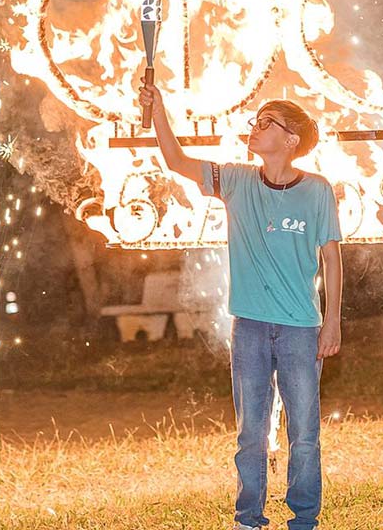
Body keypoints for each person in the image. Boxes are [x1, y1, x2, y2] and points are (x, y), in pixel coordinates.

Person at [140, 77, 343, 530]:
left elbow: (331, 257)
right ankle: (249, 518)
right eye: (256, 121)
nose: (255, 128)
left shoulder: (318, 191)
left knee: (304, 435)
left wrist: (332, 323)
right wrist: (158, 109)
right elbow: (176, 160)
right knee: (251, 433)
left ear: (290, 141)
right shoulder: (233, 180)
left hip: (300, 328)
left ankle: (304, 520)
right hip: (249, 326)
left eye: (266, 123)